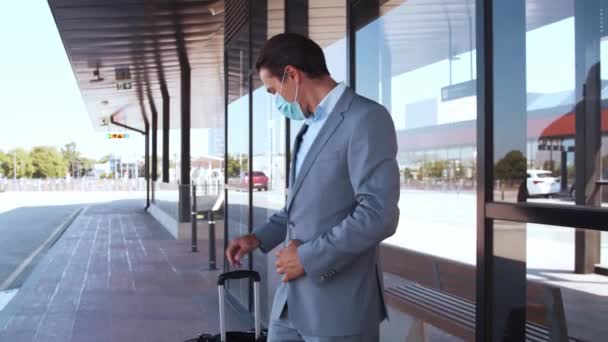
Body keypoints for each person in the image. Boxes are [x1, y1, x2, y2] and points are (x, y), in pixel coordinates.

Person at [225, 33, 400, 342]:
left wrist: (307, 258)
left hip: (338, 309)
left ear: (292, 74)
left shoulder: (366, 119)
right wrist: (257, 238)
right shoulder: (308, 130)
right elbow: (300, 207)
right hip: (290, 305)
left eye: (272, 91)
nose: (276, 101)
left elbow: (378, 214)